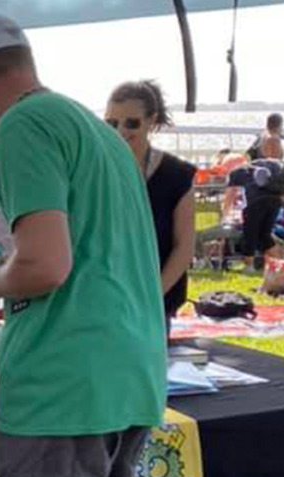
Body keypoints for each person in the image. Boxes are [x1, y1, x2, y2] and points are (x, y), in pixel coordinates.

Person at [0, 16, 166, 477]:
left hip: (63, 395)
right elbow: (98, 263)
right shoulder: (103, 138)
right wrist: (16, 341)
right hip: (127, 379)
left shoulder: (22, 125)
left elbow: (45, 264)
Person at [106, 80, 196, 329]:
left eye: (131, 123)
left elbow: (184, 247)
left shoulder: (177, 175)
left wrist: (151, 295)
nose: (120, 131)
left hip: (156, 300)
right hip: (104, 298)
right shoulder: (95, 171)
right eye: (111, 123)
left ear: (151, 121)